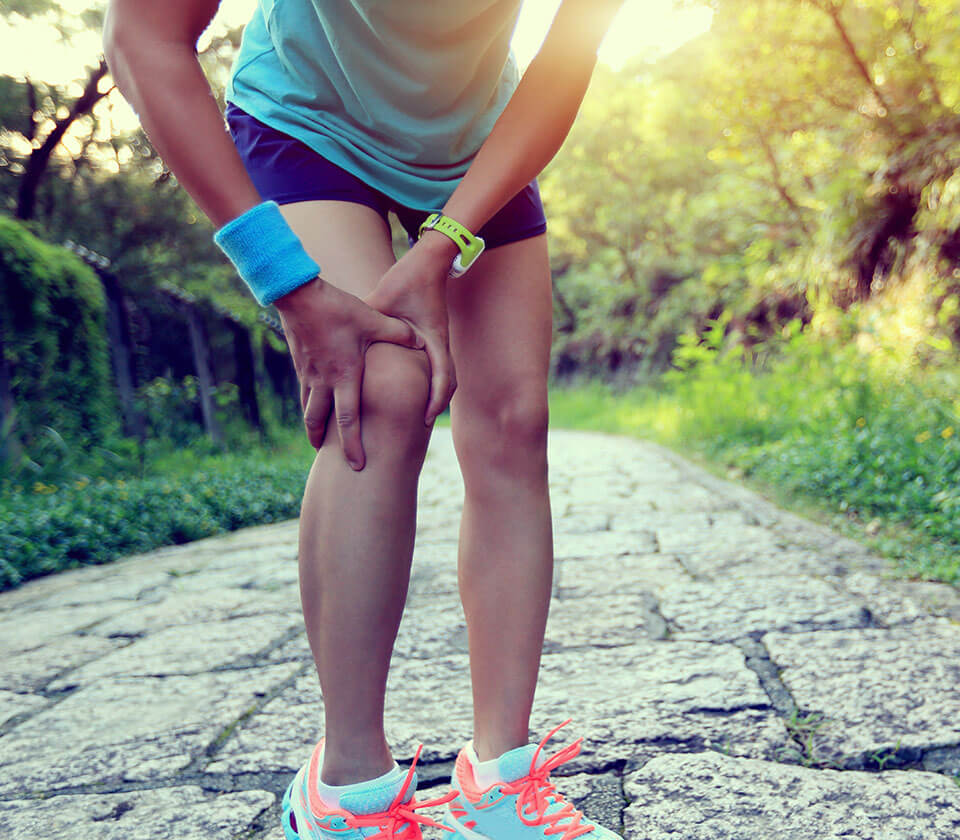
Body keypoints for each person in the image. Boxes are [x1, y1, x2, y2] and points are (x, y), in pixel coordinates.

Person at [102, 2, 627, 839]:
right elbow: (142, 37)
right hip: (308, 121)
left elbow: (570, 54)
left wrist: (445, 239)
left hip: (472, 147)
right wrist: (290, 284)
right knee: (382, 389)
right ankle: (346, 792)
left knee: (515, 421)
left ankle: (499, 787)